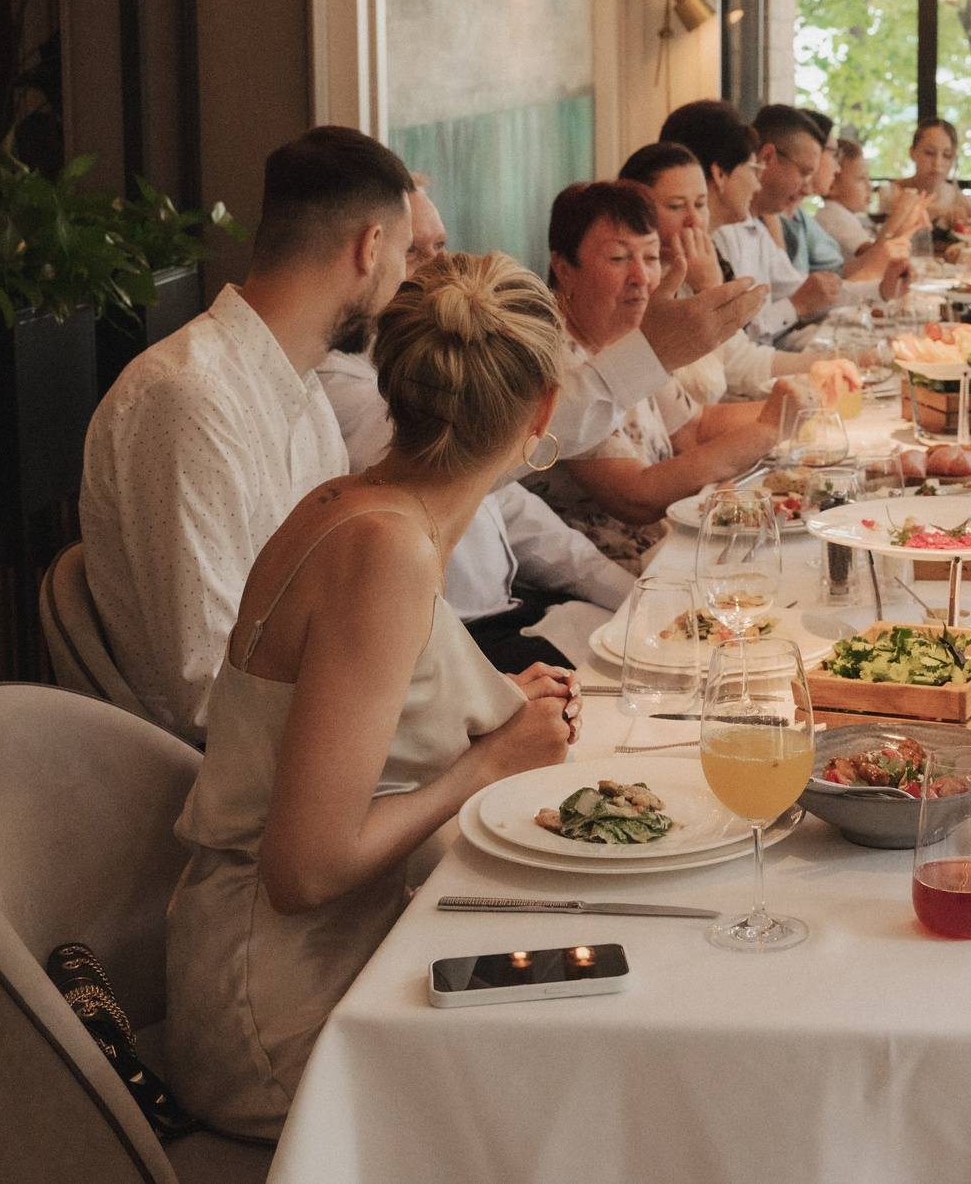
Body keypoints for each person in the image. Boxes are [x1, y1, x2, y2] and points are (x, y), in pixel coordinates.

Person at [165, 252, 585, 1139]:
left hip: (347, 950)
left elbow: (350, 713)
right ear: (542, 408)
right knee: (582, 1071)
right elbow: (303, 871)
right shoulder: (387, 553)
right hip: (284, 1015)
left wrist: (488, 701)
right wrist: (486, 763)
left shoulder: (353, 501)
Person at [81, 126, 415, 743]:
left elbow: (336, 602)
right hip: (212, 783)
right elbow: (206, 690)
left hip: (311, 737)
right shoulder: (187, 398)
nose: (406, 282)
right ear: (370, 247)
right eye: (407, 253)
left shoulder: (303, 387)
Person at [315, 182, 632, 674]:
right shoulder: (346, 389)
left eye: (440, 247)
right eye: (412, 251)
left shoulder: (388, 509)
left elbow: (514, 509)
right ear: (370, 257)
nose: (437, 267)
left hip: (506, 615)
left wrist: (632, 593)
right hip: (460, 639)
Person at [525, 180, 799, 570]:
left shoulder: (624, 333)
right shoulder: (552, 361)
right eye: (619, 259)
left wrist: (799, 406)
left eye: (651, 257)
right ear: (563, 268)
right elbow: (636, 495)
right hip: (608, 575)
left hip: (672, 548)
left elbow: (693, 427)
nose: (641, 277)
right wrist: (766, 432)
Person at [619, 141, 812, 404]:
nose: (694, 221)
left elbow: (743, 361)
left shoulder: (691, 271)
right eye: (676, 206)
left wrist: (842, 362)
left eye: (700, 204)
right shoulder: (630, 291)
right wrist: (710, 292)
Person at [661, 99, 839, 343]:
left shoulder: (744, 227)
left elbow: (738, 353)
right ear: (720, 174)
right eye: (753, 168)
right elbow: (735, 348)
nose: (757, 184)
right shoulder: (685, 252)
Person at [749, 103, 916, 295]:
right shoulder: (772, 217)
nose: (837, 168)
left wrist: (881, 290)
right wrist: (900, 216)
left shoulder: (797, 216)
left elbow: (809, 288)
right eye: (833, 154)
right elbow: (794, 296)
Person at [878, 116, 971, 227]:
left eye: (947, 155)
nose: (937, 163)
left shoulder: (958, 198)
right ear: (912, 152)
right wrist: (942, 211)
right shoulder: (892, 193)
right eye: (930, 153)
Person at [815, 136, 878, 261]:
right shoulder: (834, 216)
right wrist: (901, 216)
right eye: (861, 179)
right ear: (832, 186)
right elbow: (876, 257)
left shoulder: (842, 214)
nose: (869, 187)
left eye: (868, 178)